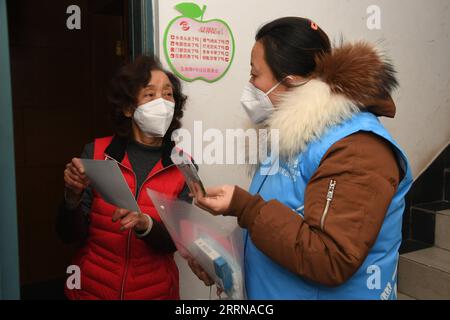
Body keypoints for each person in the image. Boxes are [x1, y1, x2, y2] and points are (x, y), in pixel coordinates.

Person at [188, 17, 413, 300]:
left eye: (255, 74)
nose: (250, 84)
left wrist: (244, 207)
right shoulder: (289, 134)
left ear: (290, 80)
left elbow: (330, 258)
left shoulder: (357, 149)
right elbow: (284, 224)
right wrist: (225, 262)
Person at [57, 55, 191, 300]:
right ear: (129, 108)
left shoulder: (184, 166)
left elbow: (178, 242)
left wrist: (146, 225)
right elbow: (69, 235)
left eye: (168, 94)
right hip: (92, 290)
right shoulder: (96, 154)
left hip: (156, 293)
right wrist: (71, 197)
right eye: (150, 95)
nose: (162, 102)